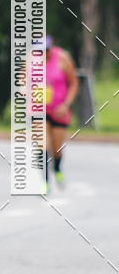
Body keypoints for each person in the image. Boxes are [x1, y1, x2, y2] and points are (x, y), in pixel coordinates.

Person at [45, 35, 79, 190]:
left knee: (57, 147)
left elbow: (73, 83)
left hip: (59, 110)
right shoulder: (30, 61)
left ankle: (57, 168)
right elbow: (22, 82)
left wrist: (66, 104)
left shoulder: (63, 58)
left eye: (47, 50)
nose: (44, 54)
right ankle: (44, 181)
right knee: (43, 144)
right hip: (40, 109)